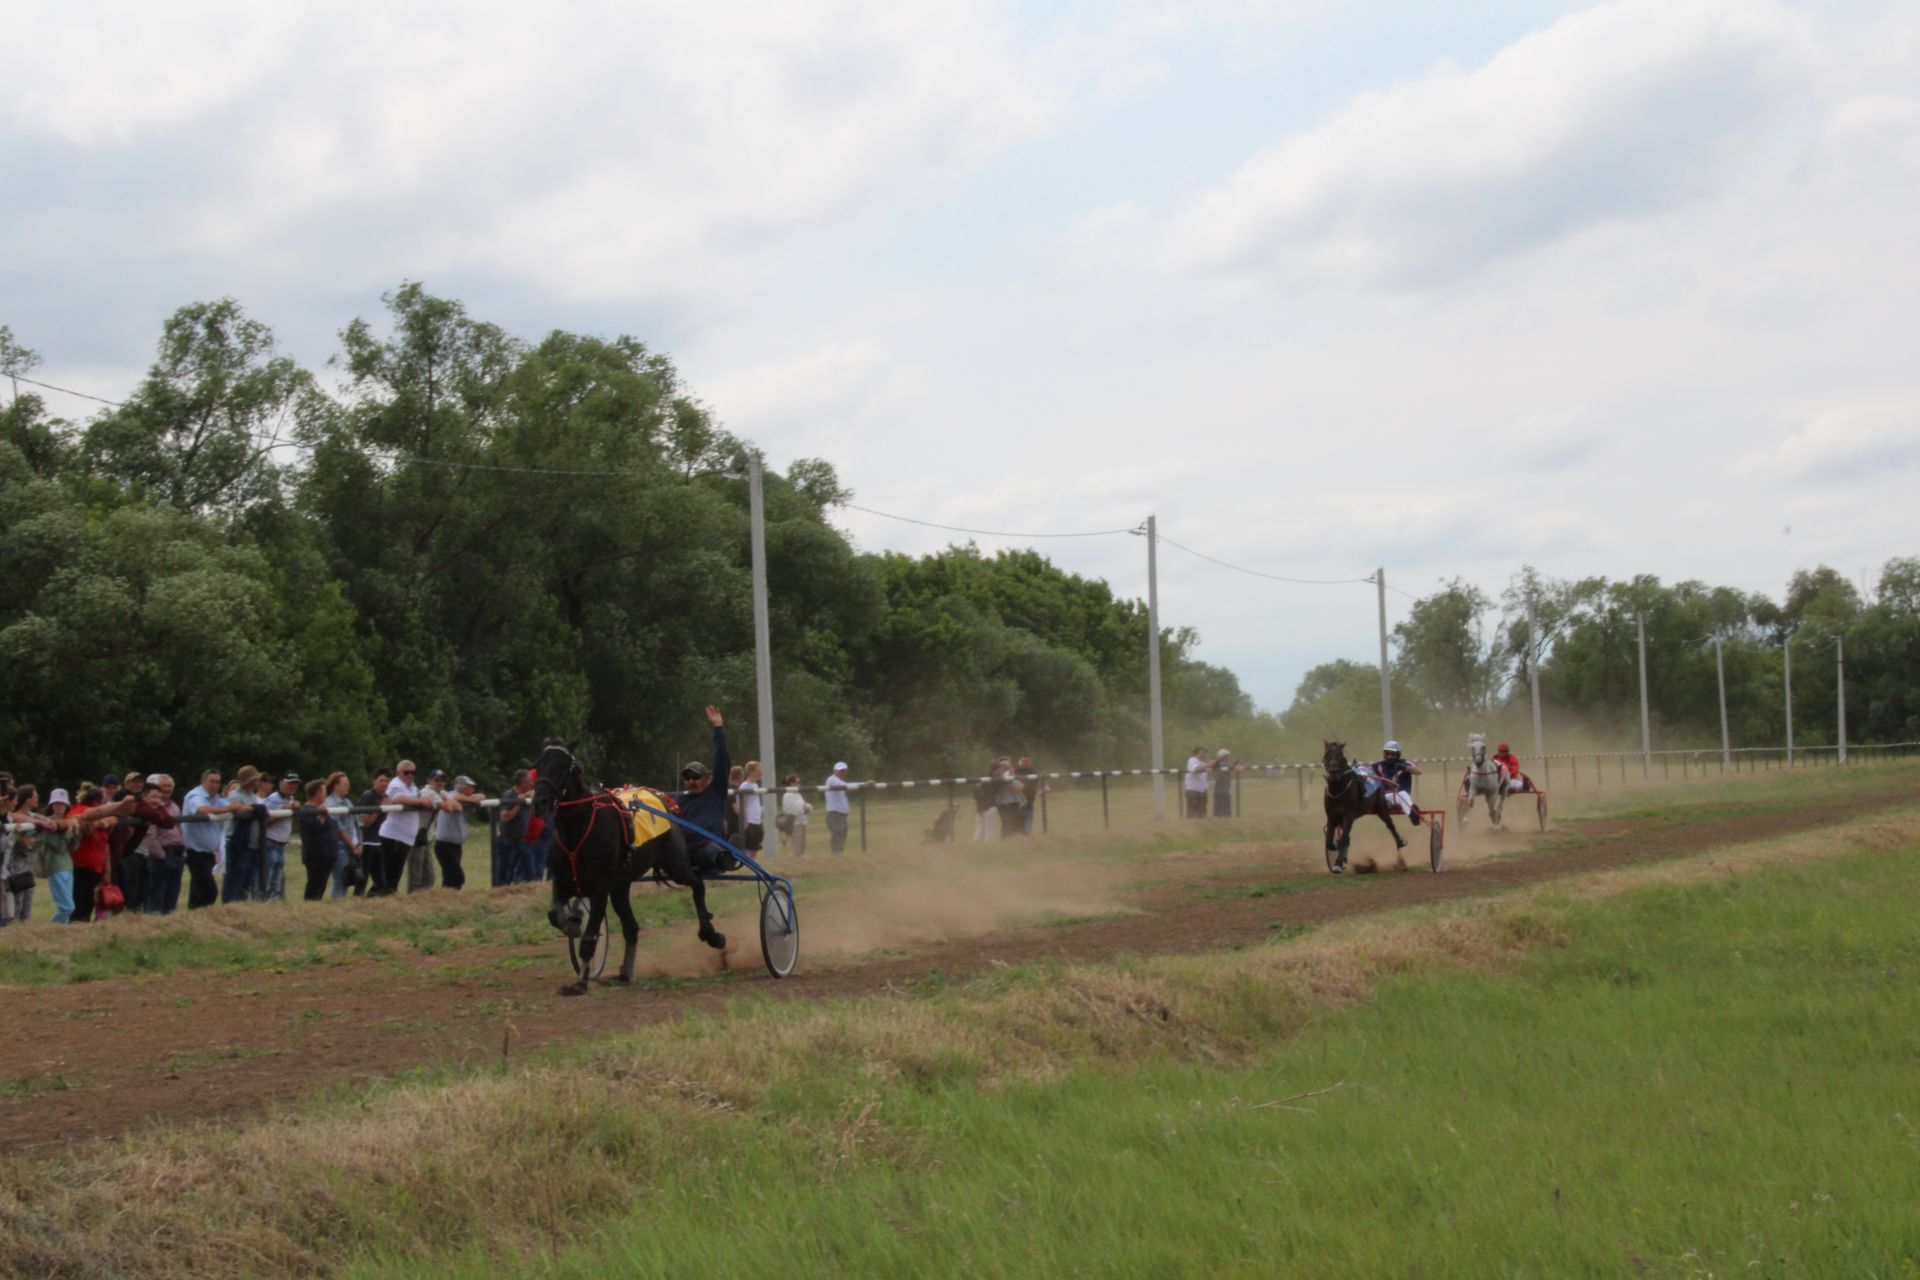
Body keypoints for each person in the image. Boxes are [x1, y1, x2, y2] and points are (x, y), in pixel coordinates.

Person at [675, 706, 738, 874]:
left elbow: (721, 759)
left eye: (695, 777)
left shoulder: (715, 792)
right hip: (685, 852)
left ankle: (725, 858)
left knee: (709, 847)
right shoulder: (679, 801)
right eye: (687, 778)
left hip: (709, 849)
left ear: (706, 779)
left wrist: (718, 728)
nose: (691, 781)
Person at [68, 786, 134, 922]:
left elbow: (105, 845)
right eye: (104, 801)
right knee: (79, 903)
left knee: (89, 903)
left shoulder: (105, 819)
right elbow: (89, 821)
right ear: (96, 802)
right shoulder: (78, 810)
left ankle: (83, 927)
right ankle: (76, 929)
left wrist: (107, 872)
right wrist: (118, 807)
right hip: (79, 866)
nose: (106, 805)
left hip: (95, 867)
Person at [376, 760, 437, 894]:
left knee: (396, 873)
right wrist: (420, 802)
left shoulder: (413, 787)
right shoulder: (395, 784)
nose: (410, 775)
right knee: (387, 873)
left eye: (413, 773)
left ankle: (389, 898)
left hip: (405, 838)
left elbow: (424, 797)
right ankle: (379, 899)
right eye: (406, 772)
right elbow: (398, 799)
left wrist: (424, 800)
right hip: (392, 836)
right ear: (399, 773)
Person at [179, 770, 236, 910]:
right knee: (209, 891)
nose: (215, 785)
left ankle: (195, 919)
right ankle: (202, 917)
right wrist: (228, 809)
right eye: (212, 781)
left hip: (208, 851)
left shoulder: (216, 799)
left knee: (197, 890)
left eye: (217, 782)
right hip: (195, 850)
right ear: (203, 781)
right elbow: (201, 810)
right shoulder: (195, 795)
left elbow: (230, 807)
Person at [31, 789, 80, 923]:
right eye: (56, 803)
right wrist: (69, 832)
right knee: (67, 907)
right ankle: (49, 928)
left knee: (68, 903)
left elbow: (73, 847)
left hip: (68, 865)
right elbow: (58, 847)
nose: (59, 806)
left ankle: (61, 931)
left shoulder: (69, 820)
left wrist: (76, 832)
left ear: (67, 805)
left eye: (62, 804)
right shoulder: (47, 823)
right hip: (54, 866)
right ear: (51, 805)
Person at [141, 775, 186, 914]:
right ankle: (154, 927)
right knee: (156, 896)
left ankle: (169, 926)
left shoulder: (175, 807)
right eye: (163, 786)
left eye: (169, 786)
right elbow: (151, 834)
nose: (167, 789)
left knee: (172, 896)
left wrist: (184, 852)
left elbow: (179, 829)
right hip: (163, 854)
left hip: (177, 853)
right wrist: (161, 855)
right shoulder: (154, 807)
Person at [221, 766, 267, 904]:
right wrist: (254, 809)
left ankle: (242, 903)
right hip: (239, 843)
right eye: (256, 778)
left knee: (248, 879)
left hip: (252, 844)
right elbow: (236, 811)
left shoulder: (253, 796)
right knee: (236, 877)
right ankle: (231, 904)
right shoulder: (235, 796)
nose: (259, 781)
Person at [496, 770, 542, 885]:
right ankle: (501, 895)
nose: (533, 784)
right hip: (508, 840)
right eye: (530, 781)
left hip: (521, 840)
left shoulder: (526, 795)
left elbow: (531, 814)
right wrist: (519, 802)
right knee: (505, 873)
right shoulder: (509, 795)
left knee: (530, 873)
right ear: (522, 783)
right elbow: (504, 817)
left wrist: (532, 802)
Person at [261, 771, 301, 901]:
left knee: (277, 876)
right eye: (290, 783)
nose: (293, 786)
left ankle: (274, 901)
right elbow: (263, 821)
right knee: (270, 875)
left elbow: (290, 821)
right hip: (270, 841)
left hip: (281, 843)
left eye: (295, 784)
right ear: (281, 783)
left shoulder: (291, 799)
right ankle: (266, 900)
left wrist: (294, 811)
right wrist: (284, 811)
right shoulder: (273, 799)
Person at [435, 775, 480, 889]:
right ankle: (449, 898)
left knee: (450, 877)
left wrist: (468, 798)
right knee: (457, 877)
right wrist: (469, 799)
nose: (473, 790)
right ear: (462, 788)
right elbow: (454, 798)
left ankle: (448, 899)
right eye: (470, 787)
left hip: (455, 845)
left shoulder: (463, 797)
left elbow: (481, 796)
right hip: (444, 844)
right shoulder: (449, 796)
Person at [295, 780, 337, 902]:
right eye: (324, 791)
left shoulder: (322, 809)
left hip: (327, 854)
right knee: (314, 883)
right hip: (315, 854)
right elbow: (313, 828)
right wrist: (321, 816)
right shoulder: (307, 810)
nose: (326, 794)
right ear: (318, 792)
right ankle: (309, 905)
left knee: (322, 885)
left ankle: (316, 903)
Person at [325, 772, 365, 896]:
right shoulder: (331, 804)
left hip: (351, 846)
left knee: (347, 879)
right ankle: (337, 908)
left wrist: (360, 843)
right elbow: (339, 830)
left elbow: (357, 824)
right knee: (340, 880)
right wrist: (353, 846)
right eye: (345, 784)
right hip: (340, 847)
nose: (348, 786)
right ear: (335, 786)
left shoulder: (348, 802)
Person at [411, 769, 448, 892]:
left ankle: (424, 900)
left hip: (426, 837)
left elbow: (454, 802)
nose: (440, 783)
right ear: (429, 781)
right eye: (436, 780)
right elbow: (449, 807)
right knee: (417, 875)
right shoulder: (428, 791)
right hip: (417, 836)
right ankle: (413, 901)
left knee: (429, 877)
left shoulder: (440, 793)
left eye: (442, 780)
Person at [1371, 741, 1423, 823]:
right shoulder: (1378, 765)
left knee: (1402, 794)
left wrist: (1404, 767)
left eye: (1392, 754)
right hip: (1384, 796)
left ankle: (1413, 815)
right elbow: (1365, 770)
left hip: (1400, 796)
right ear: (1384, 754)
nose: (1389, 756)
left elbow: (1418, 771)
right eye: (1387, 754)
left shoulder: (1405, 763)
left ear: (1398, 754)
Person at [357, 768, 390, 891]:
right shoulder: (368, 796)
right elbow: (365, 822)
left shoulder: (386, 797)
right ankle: (357, 900)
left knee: (381, 881)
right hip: (366, 842)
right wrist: (380, 808)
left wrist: (386, 811)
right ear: (374, 781)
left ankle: (375, 899)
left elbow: (381, 822)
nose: (384, 783)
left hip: (377, 841)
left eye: (386, 780)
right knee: (362, 879)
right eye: (381, 780)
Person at [822, 760, 854, 854]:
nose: (842, 773)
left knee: (842, 833)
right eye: (840, 771)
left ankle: (839, 853)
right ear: (834, 771)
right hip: (834, 814)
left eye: (844, 771)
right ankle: (837, 854)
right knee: (838, 833)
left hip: (840, 815)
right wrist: (863, 784)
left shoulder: (839, 781)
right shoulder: (832, 779)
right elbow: (844, 786)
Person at [777, 773, 810, 856]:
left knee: (802, 848)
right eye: (798, 782)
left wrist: (807, 808)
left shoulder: (797, 793)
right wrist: (804, 809)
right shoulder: (787, 795)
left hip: (802, 822)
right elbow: (790, 810)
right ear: (792, 783)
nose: (799, 784)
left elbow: (806, 805)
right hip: (795, 824)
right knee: (797, 849)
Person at [737, 761, 765, 854]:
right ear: (751, 772)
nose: (761, 772)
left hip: (757, 820)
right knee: (747, 847)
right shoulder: (745, 786)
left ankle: (752, 866)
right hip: (750, 821)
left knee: (755, 847)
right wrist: (745, 820)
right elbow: (742, 804)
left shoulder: (755, 785)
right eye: (759, 770)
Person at [993, 757, 1024, 839]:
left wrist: (1010, 770)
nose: (1007, 766)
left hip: (1014, 801)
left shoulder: (1010, 773)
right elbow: (1007, 781)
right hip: (1004, 803)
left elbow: (1017, 784)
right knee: (1006, 823)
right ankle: (1005, 840)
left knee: (1015, 823)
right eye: (1004, 764)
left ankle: (1014, 840)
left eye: (1008, 764)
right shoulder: (998, 774)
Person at [971, 761, 999, 842]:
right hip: (990, 807)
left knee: (979, 830)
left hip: (979, 808)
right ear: (997, 769)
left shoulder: (982, 780)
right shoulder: (995, 779)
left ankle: (974, 848)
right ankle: (988, 850)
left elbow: (974, 795)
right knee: (989, 832)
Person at [1184, 746, 1210, 819]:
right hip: (1193, 790)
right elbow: (1195, 769)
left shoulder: (1203, 762)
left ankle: (1201, 826)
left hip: (1202, 790)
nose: (1204, 754)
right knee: (1192, 810)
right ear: (1196, 753)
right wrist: (1207, 765)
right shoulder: (1192, 760)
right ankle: (1191, 827)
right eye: (1202, 753)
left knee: (1202, 811)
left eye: (1205, 753)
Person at [1212, 748, 1236, 819]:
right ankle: (1224, 815)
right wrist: (1236, 767)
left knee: (1219, 800)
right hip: (1222, 785)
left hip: (1220, 785)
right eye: (1228, 755)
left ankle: (1218, 815)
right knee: (1224, 800)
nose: (1229, 756)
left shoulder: (1218, 763)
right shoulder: (1223, 763)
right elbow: (1231, 766)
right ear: (1224, 756)